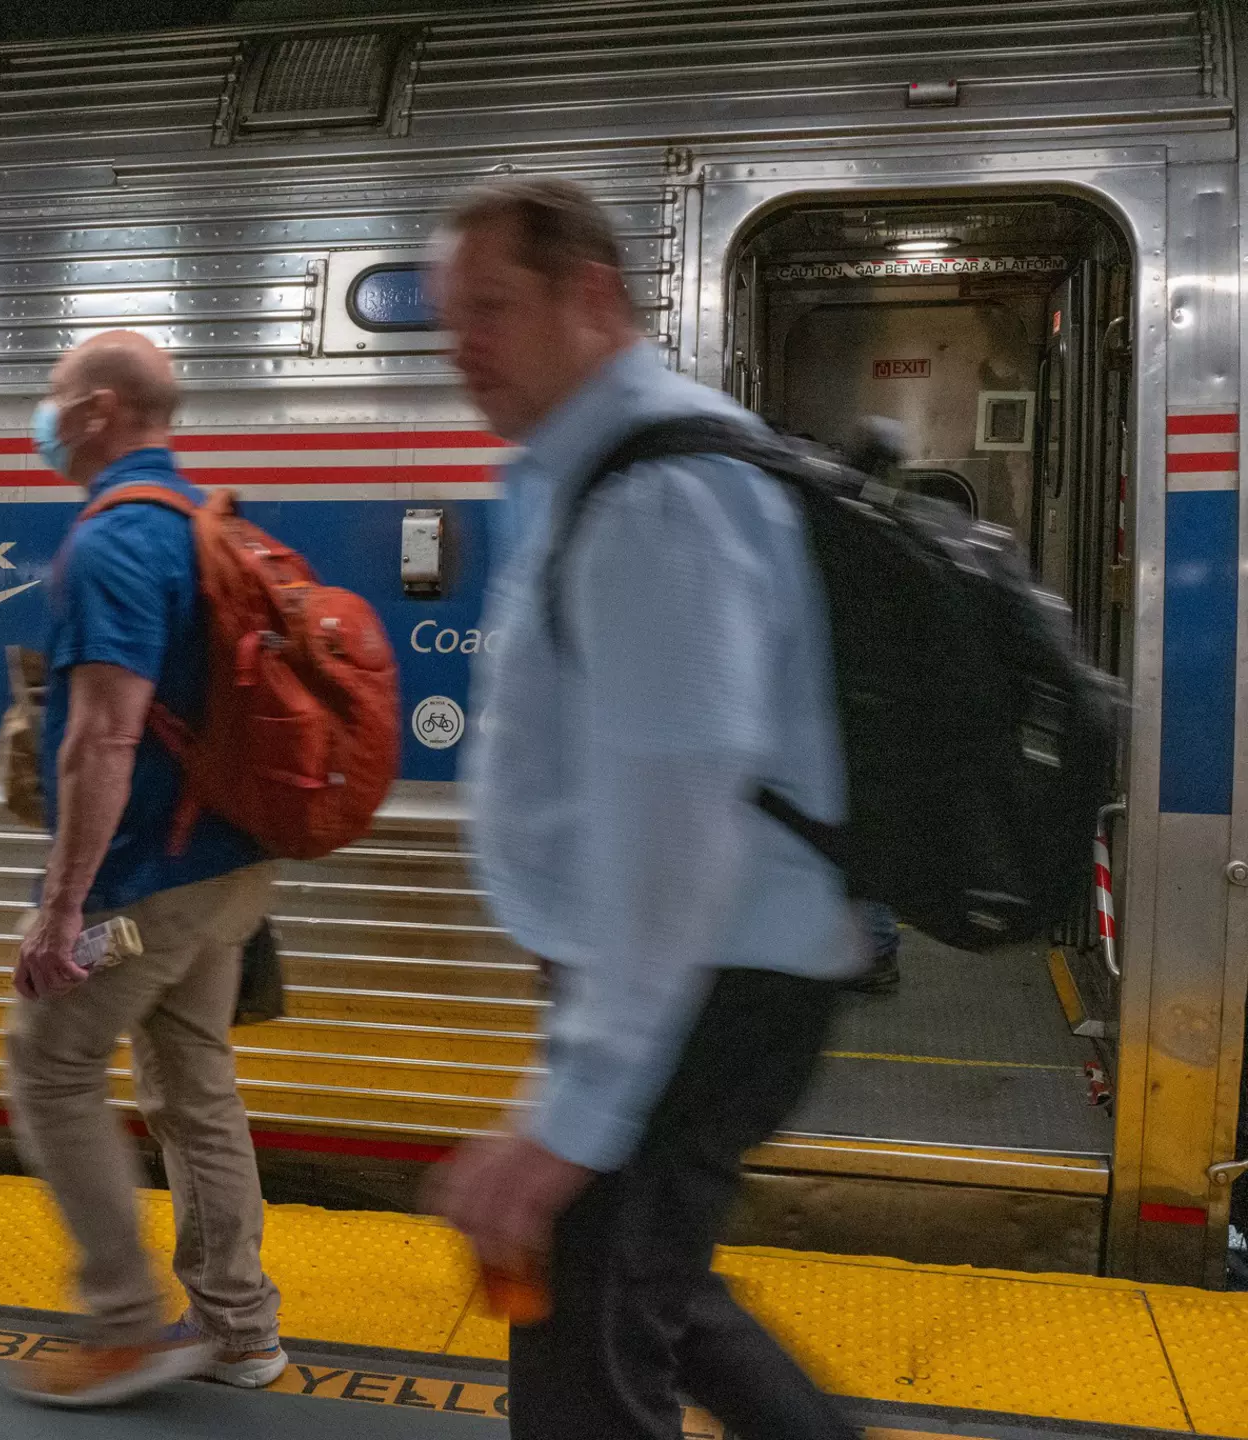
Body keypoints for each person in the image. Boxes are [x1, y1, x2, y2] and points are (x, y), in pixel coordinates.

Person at [427, 178, 864, 1440]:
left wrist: (572, 1120)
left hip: (702, 973)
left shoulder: (655, 495)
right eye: (453, 318)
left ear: (593, 296)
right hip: (688, 971)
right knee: (657, 1295)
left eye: (494, 310)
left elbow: (674, 827)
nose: (467, 348)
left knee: (587, 1380)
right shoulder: (596, 470)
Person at [2, 330, 286, 1408]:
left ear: (101, 411)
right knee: (192, 1081)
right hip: (229, 876)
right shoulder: (200, 521)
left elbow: (101, 740)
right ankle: (237, 1329)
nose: (45, 415)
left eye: (56, 395)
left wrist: (60, 908)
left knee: (50, 1059)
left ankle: (125, 1326)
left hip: (148, 888)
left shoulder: (114, 540)